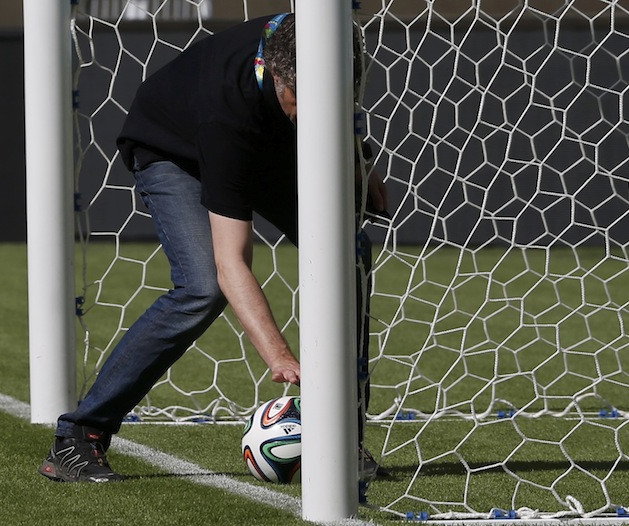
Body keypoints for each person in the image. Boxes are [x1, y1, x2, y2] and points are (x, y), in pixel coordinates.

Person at [38, 12, 388, 483]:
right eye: (300, 98)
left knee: (350, 251)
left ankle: (340, 436)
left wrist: (360, 165)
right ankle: (81, 435)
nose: (310, 111)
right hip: (174, 147)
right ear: (278, 76)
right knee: (202, 285)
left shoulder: (332, 41)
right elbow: (231, 264)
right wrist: (280, 356)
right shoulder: (226, 109)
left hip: (265, 140)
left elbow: (338, 111)